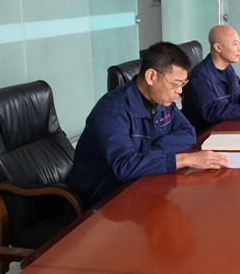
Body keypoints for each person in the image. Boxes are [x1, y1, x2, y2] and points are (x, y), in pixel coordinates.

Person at [68, 42, 229, 207]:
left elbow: (187, 133)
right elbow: (124, 166)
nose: (180, 91)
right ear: (151, 76)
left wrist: (155, 152)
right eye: (175, 84)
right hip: (103, 200)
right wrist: (184, 159)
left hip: (141, 183)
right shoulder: (112, 110)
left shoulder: (161, 100)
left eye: (183, 84)